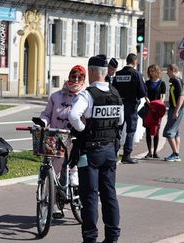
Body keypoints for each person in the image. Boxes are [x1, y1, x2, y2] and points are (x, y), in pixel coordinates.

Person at [68, 55, 123, 243]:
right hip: (110, 150)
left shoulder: (87, 94)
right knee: (109, 194)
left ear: (91, 71)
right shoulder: (115, 93)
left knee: (90, 196)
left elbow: (73, 115)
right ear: (106, 72)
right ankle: (112, 237)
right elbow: (121, 121)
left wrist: (84, 130)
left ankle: (90, 238)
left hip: (90, 152)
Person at [40, 65, 86, 187]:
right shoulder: (56, 96)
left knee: (71, 159)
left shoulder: (84, 96)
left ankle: (73, 172)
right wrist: (42, 122)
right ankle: (50, 194)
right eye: (73, 76)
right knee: (53, 166)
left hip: (73, 136)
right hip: (55, 136)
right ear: (69, 76)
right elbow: (47, 114)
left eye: (80, 77)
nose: (76, 79)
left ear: (83, 79)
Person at [112, 53, 147, 164]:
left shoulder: (117, 74)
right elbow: (143, 92)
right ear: (135, 62)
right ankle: (126, 156)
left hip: (119, 106)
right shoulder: (136, 74)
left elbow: (113, 90)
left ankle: (114, 154)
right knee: (130, 131)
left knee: (118, 130)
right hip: (131, 106)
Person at [143, 64, 166, 159]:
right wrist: (151, 105)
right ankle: (149, 152)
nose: (151, 73)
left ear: (157, 71)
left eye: (153, 71)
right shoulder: (147, 83)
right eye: (150, 71)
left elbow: (163, 95)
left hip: (158, 109)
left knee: (156, 130)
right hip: (149, 108)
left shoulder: (162, 83)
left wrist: (160, 104)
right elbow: (145, 95)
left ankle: (155, 152)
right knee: (148, 130)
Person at [163, 64, 184, 162]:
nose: (167, 73)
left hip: (177, 109)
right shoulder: (174, 80)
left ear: (173, 70)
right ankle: (176, 153)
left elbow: (181, 96)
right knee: (175, 132)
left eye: (168, 71)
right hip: (175, 108)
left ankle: (176, 154)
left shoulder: (177, 80)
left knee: (168, 132)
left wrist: (176, 111)